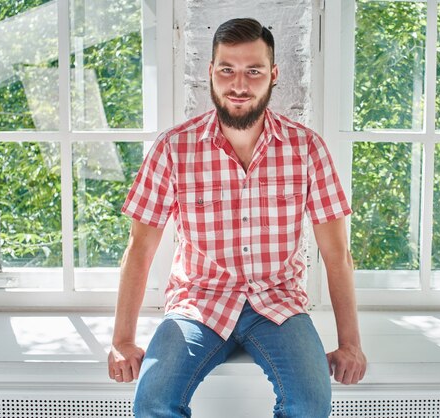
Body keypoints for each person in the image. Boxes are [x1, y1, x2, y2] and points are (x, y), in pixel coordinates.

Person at [107, 17, 367, 417]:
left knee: (310, 404)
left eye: (253, 71)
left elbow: (337, 255)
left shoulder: (308, 149)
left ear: (273, 74)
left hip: (278, 304)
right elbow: (139, 249)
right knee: (153, 400)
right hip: (198, 303)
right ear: (210, 72)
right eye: (227, 69)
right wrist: (122, 339)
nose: (239, 85)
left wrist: (350, 343)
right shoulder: (173, 149)